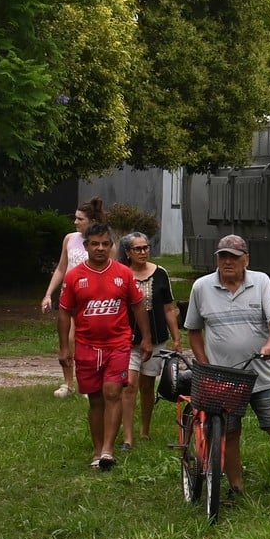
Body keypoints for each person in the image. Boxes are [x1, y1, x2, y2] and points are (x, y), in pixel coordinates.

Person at [184, 234, 270, 497]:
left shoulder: (261, 282)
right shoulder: (201, 287)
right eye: (223, 256)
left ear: (245, 259)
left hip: (261, 373)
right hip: (224, 378)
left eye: (234, 257)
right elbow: (193, 330)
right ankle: (236, 487)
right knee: (230, 433)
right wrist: (205, 365)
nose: (228, 262)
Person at [57, 222, 150, 470]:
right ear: (86, 246)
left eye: (105, 244)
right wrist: (64, 348)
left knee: (113, 393)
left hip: (118, 344)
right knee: (96, 399)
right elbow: (64, 313)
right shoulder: (74, 277)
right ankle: (97, 450)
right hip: (86, 346)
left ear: (111, 246)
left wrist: (146, 338)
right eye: (95, 244)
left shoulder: (123, 273)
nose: (100, 248)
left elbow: (138, 306)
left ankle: (109, 450)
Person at [118, 232, 182, 449]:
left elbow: (168, 308)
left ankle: (145, 429)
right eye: (138, 248)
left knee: (147, 385)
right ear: (128, 252)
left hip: (156, 339)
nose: (143, 252)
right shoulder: (120, 274)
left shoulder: (160, 273)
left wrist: (176, 336)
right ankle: (127, 437)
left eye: (146, 247)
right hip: (128, 340)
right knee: (129, 386)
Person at [42, 196, 108, 397]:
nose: (76, 222)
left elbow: (109, 270)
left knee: (84, 342)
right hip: (69, 297)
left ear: (92, 221)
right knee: (68, 340)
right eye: (76, 218)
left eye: (80, 219)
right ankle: (68, 383)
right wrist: (48, 294)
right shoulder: (70, 239)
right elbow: (62, 268)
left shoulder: (101, 243)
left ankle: (89, 383)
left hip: (91, 300)